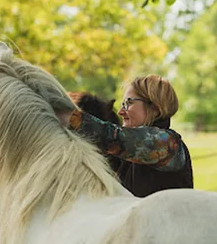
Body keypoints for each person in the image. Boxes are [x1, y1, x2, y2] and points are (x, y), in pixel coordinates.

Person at [62, 74, 193, 197]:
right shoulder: (127, 158)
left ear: (155, 107)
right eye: (122, 104)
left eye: (128, 103)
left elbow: (113, 138)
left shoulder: (168, 144)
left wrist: (69, 117)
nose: (120, 112)